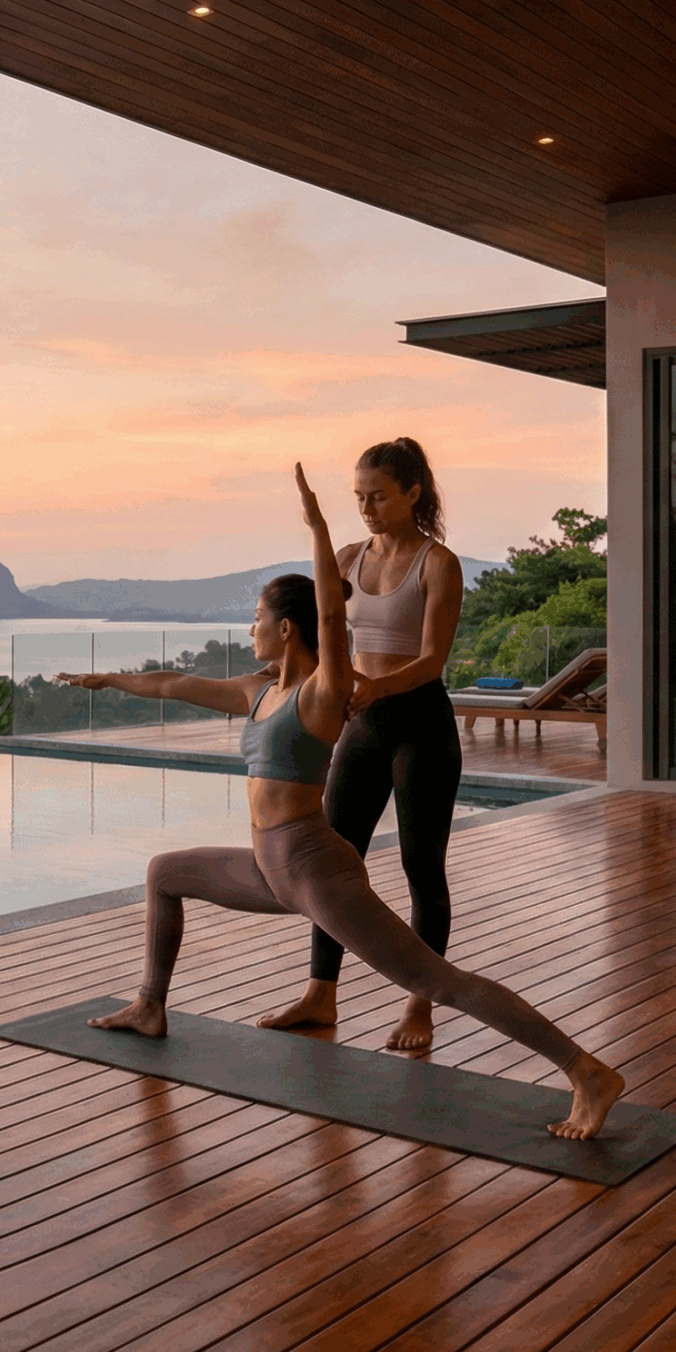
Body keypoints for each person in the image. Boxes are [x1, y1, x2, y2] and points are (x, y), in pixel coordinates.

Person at [55, 463, 623, 1140]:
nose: (251, 633)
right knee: (164, 874)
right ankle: (150, 1005)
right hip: (272, 871)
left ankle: (586, 1071)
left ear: (288, 630)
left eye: (258, 622)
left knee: (437, 980)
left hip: (315, 870)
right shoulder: (253, 690)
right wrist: (107, 679)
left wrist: (319, 526)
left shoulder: (324, 694)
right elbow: (172, 683)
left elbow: (331, 609)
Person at [261, 436, 466, 1053]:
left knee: (419, 867)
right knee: (330, 862)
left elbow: (432, 660)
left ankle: (420, 1001)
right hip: (361, 725)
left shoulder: (438, 564)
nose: (368, 507)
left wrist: (375, 687)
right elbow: (322, 629)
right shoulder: (349, 558)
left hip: (420, 726)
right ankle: (321, 994)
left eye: (378, 496)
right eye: (359, 497)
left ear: (412, 493)